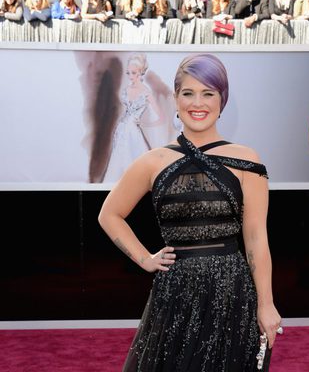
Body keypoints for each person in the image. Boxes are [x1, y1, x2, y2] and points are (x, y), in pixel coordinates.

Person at [98, 53, 282, 371]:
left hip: (232, 292)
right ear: (176, 99)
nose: (198, 103)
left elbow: (255, 237)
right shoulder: (152, 161)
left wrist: (266, 304)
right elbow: (109, 214)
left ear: (222, 100)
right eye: (188, 93)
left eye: (208, 93)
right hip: (175, 294)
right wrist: (145, 258)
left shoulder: (246, 160)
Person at [103, 54, 176, 182]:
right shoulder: (126, 89)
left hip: (133, 131)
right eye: (128, 73)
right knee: (118, 157)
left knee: (132, 157)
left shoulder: (146, 92)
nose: (130, 76)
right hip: (121, 128)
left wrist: (145, 124)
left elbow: (161, 117)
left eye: (133, 73)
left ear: (140, 73)